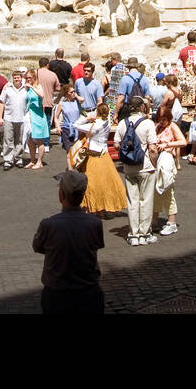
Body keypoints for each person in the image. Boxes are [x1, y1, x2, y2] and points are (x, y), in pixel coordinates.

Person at [33, 170, 105, 314]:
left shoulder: (49, 225)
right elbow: (97, 245)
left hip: (57, 293)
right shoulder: (94, 223)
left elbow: (38, 247)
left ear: (61, 195)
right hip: (88, 292)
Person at [114, 96, 158, 245]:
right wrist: (154, 164)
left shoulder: (122, 124)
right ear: (141, 108)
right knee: (146, 200)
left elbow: (116, 145)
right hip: (145, 166)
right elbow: (152, 148)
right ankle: (144, 233)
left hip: (128, 168)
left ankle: (133, 234)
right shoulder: (148, 123)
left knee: (132, 201)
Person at [72, 106, 126, 216]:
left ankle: (93, 207)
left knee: (92, 184)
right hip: (104, 155)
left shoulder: (95, 125)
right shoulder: (107, 123)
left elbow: (75, 125)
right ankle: (101, 208)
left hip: (93, 156)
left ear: (97, 112)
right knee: (105, 183)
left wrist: (86, 118)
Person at [151, 97, 186, 235]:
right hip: (157, 162)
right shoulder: (157, 127)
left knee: (167, 191)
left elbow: (183, 142)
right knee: (155, 191)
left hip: (167, 161)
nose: (161, 121)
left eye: (163, 119)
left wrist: (168, 144)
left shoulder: (173, 126)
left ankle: (172, 222)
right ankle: (155, 220)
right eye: (160, 119)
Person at [0, 68, 31, 169]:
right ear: (12, 78)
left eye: (18, 77)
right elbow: (1, 103)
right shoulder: (7, 89)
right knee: (8, 140)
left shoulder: (26, 89)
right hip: (9, 118)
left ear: (22, 78)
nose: (17, 79)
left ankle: (18, 158)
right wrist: (0, 117)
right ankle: (8, 160)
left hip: (22, 118)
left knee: (20, 140)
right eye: (15, 78)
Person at [25, 69, 51, 169]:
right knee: (30, 140)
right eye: (26, 78)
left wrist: (31, 86)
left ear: (34, 78)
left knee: (39, 139)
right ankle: (32, 160)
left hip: (38, 116)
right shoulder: (27, 88)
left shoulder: (38, 86)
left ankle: (39, 161)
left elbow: (42, 95)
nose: (28, 79)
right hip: (29, 115)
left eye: (30, 78)